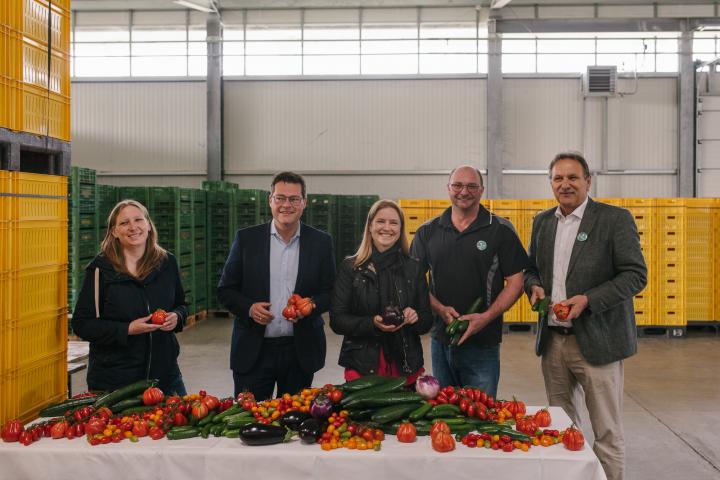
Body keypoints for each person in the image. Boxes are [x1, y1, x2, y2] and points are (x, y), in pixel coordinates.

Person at [524, 152, 647, 480]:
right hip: (553, 343)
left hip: (598, 342)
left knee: (606, 432)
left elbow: (635, 275)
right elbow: (532, 269)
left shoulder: (614, 220)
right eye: (558, 179)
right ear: (551, 183)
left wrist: (588, 300)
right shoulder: (543, 222)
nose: (565, 185)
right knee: (563, 430)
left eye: (573, 178)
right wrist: (533, 287)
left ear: (588, 181)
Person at [410, 165, 528, 398]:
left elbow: (517, 281)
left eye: (472, 186)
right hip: (441, 340)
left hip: (483, 343)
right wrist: (440, 309)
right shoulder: (428, 231)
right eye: (458, 185)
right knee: (445, 413)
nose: (464, 191)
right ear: (448, 189)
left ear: (481, 190)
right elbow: (413, 281)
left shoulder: (500, 229)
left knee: (480, 414)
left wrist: (484, 318)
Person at [218, 172, 336, 400]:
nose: (286, 205)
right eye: (280, 198)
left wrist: (311, 304)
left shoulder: (321, 242)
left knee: (293, 423)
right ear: (270, 200)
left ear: (304, 203)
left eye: (294, 199)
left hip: (300, 350)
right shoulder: (246, 240)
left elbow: (331, 292)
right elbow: (226, 290)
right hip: (254, 349)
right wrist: (250, 308)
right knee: (249, 420)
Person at [72, 200, 187, 395]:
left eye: (138, 220)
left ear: (148, 225)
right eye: (124, 223)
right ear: (114, 231)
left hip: (164, 376)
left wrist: (177, 317)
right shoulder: (101, 269)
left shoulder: (167, 262)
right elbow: (82, 324)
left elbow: (181, 304)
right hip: (116, 382)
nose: (133, 227)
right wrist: (127, 329)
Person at [330, 200, 433, 384]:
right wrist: (372, 323)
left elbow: (427, 321)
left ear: (401, 229)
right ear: (370, 226)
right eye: (380, 221)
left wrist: (415, 317)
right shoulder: (351, 268)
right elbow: (337, 320)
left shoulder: (414, 268)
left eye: (394, 223)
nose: (387, 228)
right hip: (362, 365)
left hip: (406, 365)